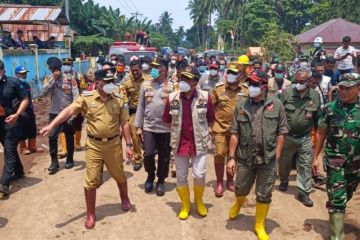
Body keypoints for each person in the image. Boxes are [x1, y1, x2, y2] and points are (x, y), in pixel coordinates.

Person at [40, 68, 133, 229]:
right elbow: (69, 110)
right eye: (107, 82)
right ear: (98, 83)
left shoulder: (119, 99)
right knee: (90, 181)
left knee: (119, 175)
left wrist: (129, 144)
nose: (111, 85)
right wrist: (51, 125)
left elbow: (124, 123)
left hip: (113, 144)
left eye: (112, 82)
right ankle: (91, 214)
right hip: (94, 146)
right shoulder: (86, 98)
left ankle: (124, 198)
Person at [227, 70, 288, 240]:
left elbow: (282, 133)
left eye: (254, 84)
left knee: (264, 193)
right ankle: (238, 205)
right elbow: (234, 133)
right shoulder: (241, 105)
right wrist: (231, 158)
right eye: (250, 84)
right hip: (245, 158)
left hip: (267, 159)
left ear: (263, 86)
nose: (251, 87)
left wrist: (276, 155)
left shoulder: (277, 105)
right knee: (240, 187)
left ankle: (259, 225)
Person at [312, 73, 360, 240]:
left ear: (358, 88)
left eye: (348, 88)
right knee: (337, 199)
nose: (344, 91)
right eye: (341, 88)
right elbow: (320, 133)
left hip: (357, 165)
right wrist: (315, 157)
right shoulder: (330, 109)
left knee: (348, 192)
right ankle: (336, 236)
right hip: (335, 161)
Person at [163, 67, 215, 220]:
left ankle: (199, 201)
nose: (183, 82)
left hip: (199, 142)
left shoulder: (205, 97)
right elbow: (166, 120)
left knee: (199, 174)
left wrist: (208, 130)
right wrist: (177, 130)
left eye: (187, 80)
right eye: (182, 79)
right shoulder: (172, 97)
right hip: (180, 143)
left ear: (194, 83)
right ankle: (185, 205)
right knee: (181, 176)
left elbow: (211, 117)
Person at [278, 68, 321, 207]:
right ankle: (284, 180)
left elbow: (317, 118)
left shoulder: (314, 96)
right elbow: (280, 113)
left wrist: (317, 137)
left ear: (309, 81)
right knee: (284, 162)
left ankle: (304, 192)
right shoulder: (288, 93)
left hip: (305, 137)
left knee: (305, 164)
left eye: (301, 81)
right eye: (296, 81)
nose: (298, 83)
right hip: (288, 136)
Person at [134, 57, 175, 196]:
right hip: (149, 126)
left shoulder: (172, 86)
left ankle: (161, 181)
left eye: (156, 67)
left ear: (164, 70)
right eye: (152, 67)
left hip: (166, 128)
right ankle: (150, 176)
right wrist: (138, 126)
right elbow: (141, 106)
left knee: (164, 156)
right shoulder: (145, 85)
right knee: (148, 154)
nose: (153, 70)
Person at [211, 62, 246, 197]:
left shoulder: (245, 90)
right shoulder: (218, 89)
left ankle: (230, 181)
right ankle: (219, 182)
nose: (231, 75)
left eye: (234, 73)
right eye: (229, 72)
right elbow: (211, 107)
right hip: (220, 127)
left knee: (234, 156)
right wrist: (210, 125)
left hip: (238, 130)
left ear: (240, 75)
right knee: (219, 154)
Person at [42, 57, 78, 173]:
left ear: (59, 68)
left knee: (69, 136)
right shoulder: (49, 79)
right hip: (54, 113)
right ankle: (54, 162)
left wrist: (74, 113)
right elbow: (43, 93)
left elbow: (76, 96)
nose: (53, 71)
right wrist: (53, 79)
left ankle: (70, 159)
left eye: (55, 69)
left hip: (68, 113)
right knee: (52, 136)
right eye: (51, 69)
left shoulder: (70, 78)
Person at [0, 60, 29, 195]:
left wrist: (17, 114)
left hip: (11, 121)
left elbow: (25, 99)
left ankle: (4, 183)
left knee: (9, 151)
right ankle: (19, 171)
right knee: (8, 148)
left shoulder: (13, 83)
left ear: (2, 71)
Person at [122, 60, 145, 171]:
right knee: (135, 135)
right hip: (135, 112)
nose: (135, 72)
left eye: (137, 70)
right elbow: (124, 99)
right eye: (133, 70)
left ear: (141, 69)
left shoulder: (148, 81)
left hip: (148, 112)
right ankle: (137, 159)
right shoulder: (127, 83)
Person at [15, 66, 43, 155]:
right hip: (21, 110)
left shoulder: (26, 84)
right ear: (17, 74)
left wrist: (32, 107)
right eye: (22, 73)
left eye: (25, 73)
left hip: (29, 109)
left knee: (32, 128)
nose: (24, 75)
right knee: (22, 129)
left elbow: (29, 97)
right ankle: (23, 147)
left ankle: (32, 146)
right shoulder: (15, 85)